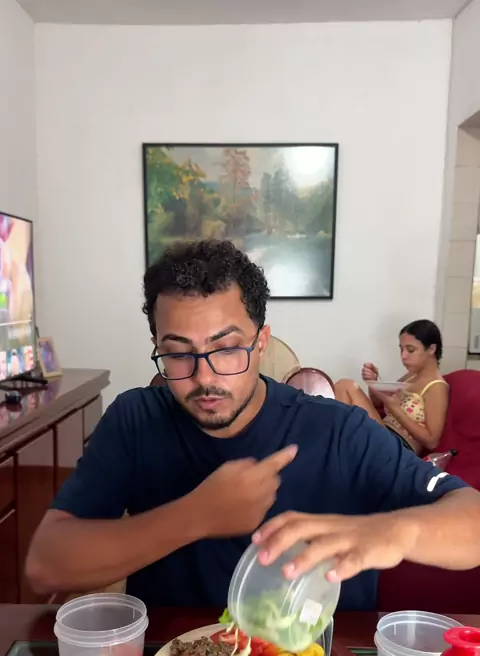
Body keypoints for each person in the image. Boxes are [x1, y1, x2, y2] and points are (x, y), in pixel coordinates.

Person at [26, 242, 480, 611]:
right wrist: (195, 517)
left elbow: (471, 518)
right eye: (178, 354)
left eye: (227, 349)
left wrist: (391, 532)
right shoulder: (135, 420)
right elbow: (45, 565)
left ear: (261, 341)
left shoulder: (339, 431)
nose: (204, 377)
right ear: (157, 345)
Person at [335, 320, 448, 455]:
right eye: (401, 349)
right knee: (343, 388)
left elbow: (432, 441)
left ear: (431, 349)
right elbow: (378, 404)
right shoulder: (410, 376)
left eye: (410, 350)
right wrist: (373, 383)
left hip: (399, 448)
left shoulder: (437, 386)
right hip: (384, 432)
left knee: (347, 386)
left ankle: (335, 450)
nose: (403, 356)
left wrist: (395, 408)